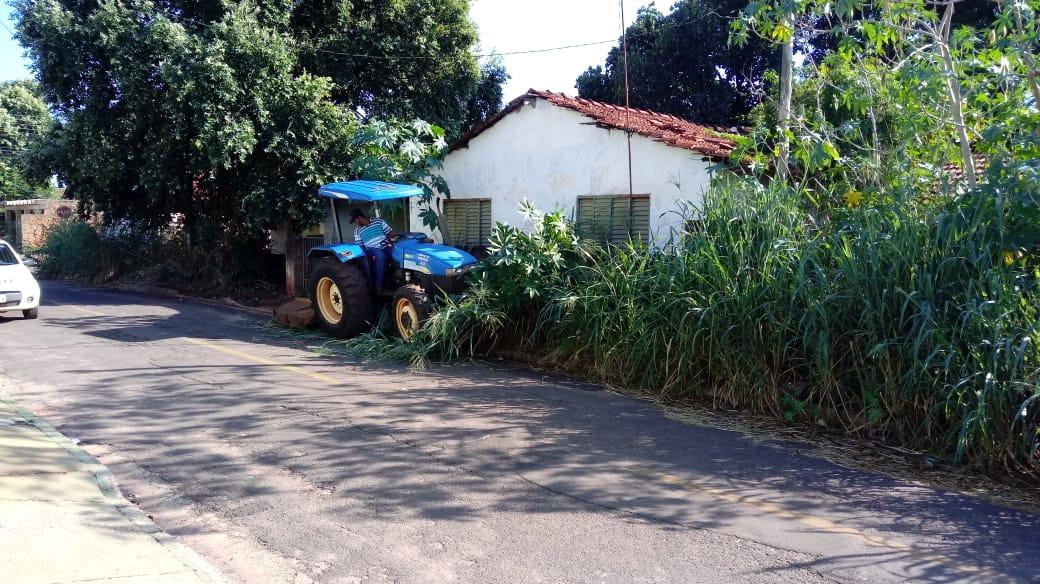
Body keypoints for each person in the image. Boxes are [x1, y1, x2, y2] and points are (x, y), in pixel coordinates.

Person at [349, 209, 394, 290]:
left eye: (355, 220)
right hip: (371, 250)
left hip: (385, 246)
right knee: (380, 255)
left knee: (397, 254)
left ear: (359, 218)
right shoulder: (357, 230)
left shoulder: (378, 221)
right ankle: (378, 284)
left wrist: (391, 243)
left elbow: (390, 233)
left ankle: (395, 280)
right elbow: (360, 246)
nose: (355, 223)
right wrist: (364, 257)